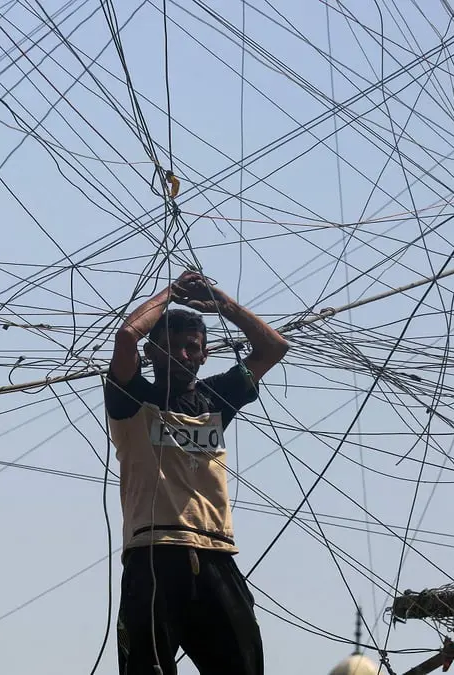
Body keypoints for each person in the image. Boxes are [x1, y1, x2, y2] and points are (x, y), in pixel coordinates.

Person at [104, 269, 289, 675]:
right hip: (154, 555)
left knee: (243, 665)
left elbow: (273, 347)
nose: (182, 356)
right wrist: (169, 293)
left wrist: (223, 304)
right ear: (152, 354)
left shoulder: (215, 400)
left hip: (216, 555)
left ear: (205, 354)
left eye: (192, 348)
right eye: (169, 348)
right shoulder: (132, 400)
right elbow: (126, 338)